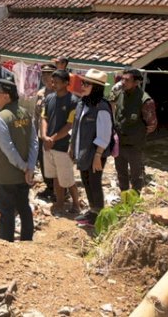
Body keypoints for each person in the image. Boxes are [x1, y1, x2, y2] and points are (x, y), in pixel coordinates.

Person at [0, 79, 38, 242]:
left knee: (6, 211)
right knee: (24, 207)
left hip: (5, 175)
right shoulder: (25, 113)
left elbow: (7, 148)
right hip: (24, 175)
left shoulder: (1, 118)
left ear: (6, 96)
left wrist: (24, 167)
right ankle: (27, 240)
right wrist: (29, 167)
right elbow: (34, 142)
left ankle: (6, 245)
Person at [69, 69, 113, 227]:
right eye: (83, 82)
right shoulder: (83, 102)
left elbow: (105, 134)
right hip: (83, 151)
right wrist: (72, 146)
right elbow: (76, 128)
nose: (83, 85)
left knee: (94, 182)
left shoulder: (102, 107)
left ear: (96, 87)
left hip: (95, 153)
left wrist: (97, 156)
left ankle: (98, 215)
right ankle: (93, 210)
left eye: (87, 83)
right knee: (86, 180)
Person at [41, 70, 81, 214]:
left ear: (66, 83)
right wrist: (44, 136)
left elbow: (69, 125)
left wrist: (53, 138)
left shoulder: (73, 101)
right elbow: (43, 117)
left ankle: (76, 204)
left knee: (67, 178)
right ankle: (60, 202)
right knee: (56, 176)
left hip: (63, 146)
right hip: (49, 144)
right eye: (53, 81)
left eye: (57, 82)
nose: (54, 84)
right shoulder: (49, 98)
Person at [113, 68, 157, 193]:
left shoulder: (145, 100)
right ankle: (124, 197)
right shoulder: (120, 94)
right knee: (121, 174)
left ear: (136, 82)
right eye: (122, 79)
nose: (123, 82)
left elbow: (152, 124)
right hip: (120, 144)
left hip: (135, 146)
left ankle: (134, 201)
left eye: (127, 80)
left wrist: (137, 134)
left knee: (136, 176)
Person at [35, 63, 57, 200]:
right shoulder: (40, 94)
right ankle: (49, 187)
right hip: (41, 135)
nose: (45, 77)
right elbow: (36, 116)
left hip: (55, 135)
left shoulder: (60, 93)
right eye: (43, 74)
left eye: (49, 74)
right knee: (43, 162)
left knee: (56, 163)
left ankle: (59, 191)